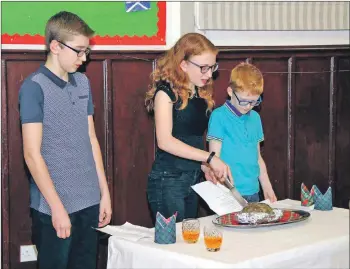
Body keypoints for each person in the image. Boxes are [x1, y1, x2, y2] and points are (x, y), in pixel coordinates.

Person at [18, 11, 112, 269]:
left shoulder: (83, 83)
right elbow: (31, 154)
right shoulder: (33, 87)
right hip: (53, 207)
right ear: (55, 47)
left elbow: (91, 139)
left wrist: (104, 193)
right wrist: (57, 208)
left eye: (86, 52)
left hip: (89, 200)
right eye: (79, 51)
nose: (84, 58)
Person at [145, 33, 232, 223]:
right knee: (173, 245)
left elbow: (190, 140)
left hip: (193, 179)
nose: (209, 74)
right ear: (183, 64)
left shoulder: (200, 94)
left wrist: (204, 166)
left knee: (188, 241)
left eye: (212, 67)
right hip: (168, 181)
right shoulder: (165, 94)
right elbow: (165, 141)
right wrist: (209, 158)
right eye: (203, 68)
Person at [207, 62, 277, 203]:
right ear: (230, 92)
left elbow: (257, 157)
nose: (249, 106)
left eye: (254, 102)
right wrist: (226, 189)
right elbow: (215, 160)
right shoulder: (219, 116)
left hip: (253, 191)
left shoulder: (255, 118)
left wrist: (266, 185)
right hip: (228, 193)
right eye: (244, 101)